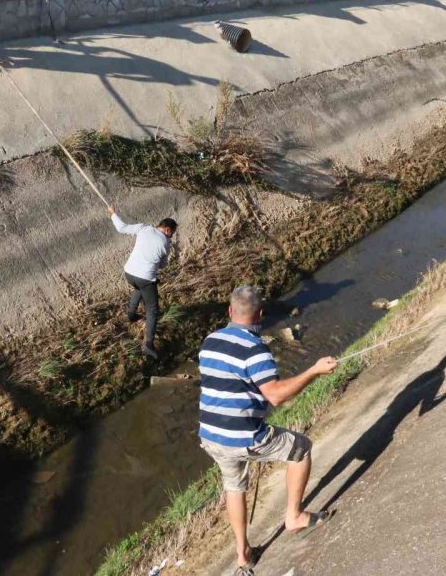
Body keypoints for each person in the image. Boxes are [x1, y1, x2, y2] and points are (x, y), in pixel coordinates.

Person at [198, 285, 338, 575]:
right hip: (243, 436)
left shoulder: (210, 340)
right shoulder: (255, 348)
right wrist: (313, 370)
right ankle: (295, 517)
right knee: (300, 449)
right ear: (261, 314)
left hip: (210, 434)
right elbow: (275, 395)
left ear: (229, 311)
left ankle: (243, 554)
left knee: (234, 486)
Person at [107, 205, 176, 359]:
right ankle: (149, 345)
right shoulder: (165, 243)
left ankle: (131, 315)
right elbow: (163, 265)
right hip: (145, 278)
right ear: (167, 230)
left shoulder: (143, 228)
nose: (170, 237)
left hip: (129, 273)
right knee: (153, 310)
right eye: (171, 234)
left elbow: (122, 228)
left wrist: (112, 214)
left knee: (139, 287)